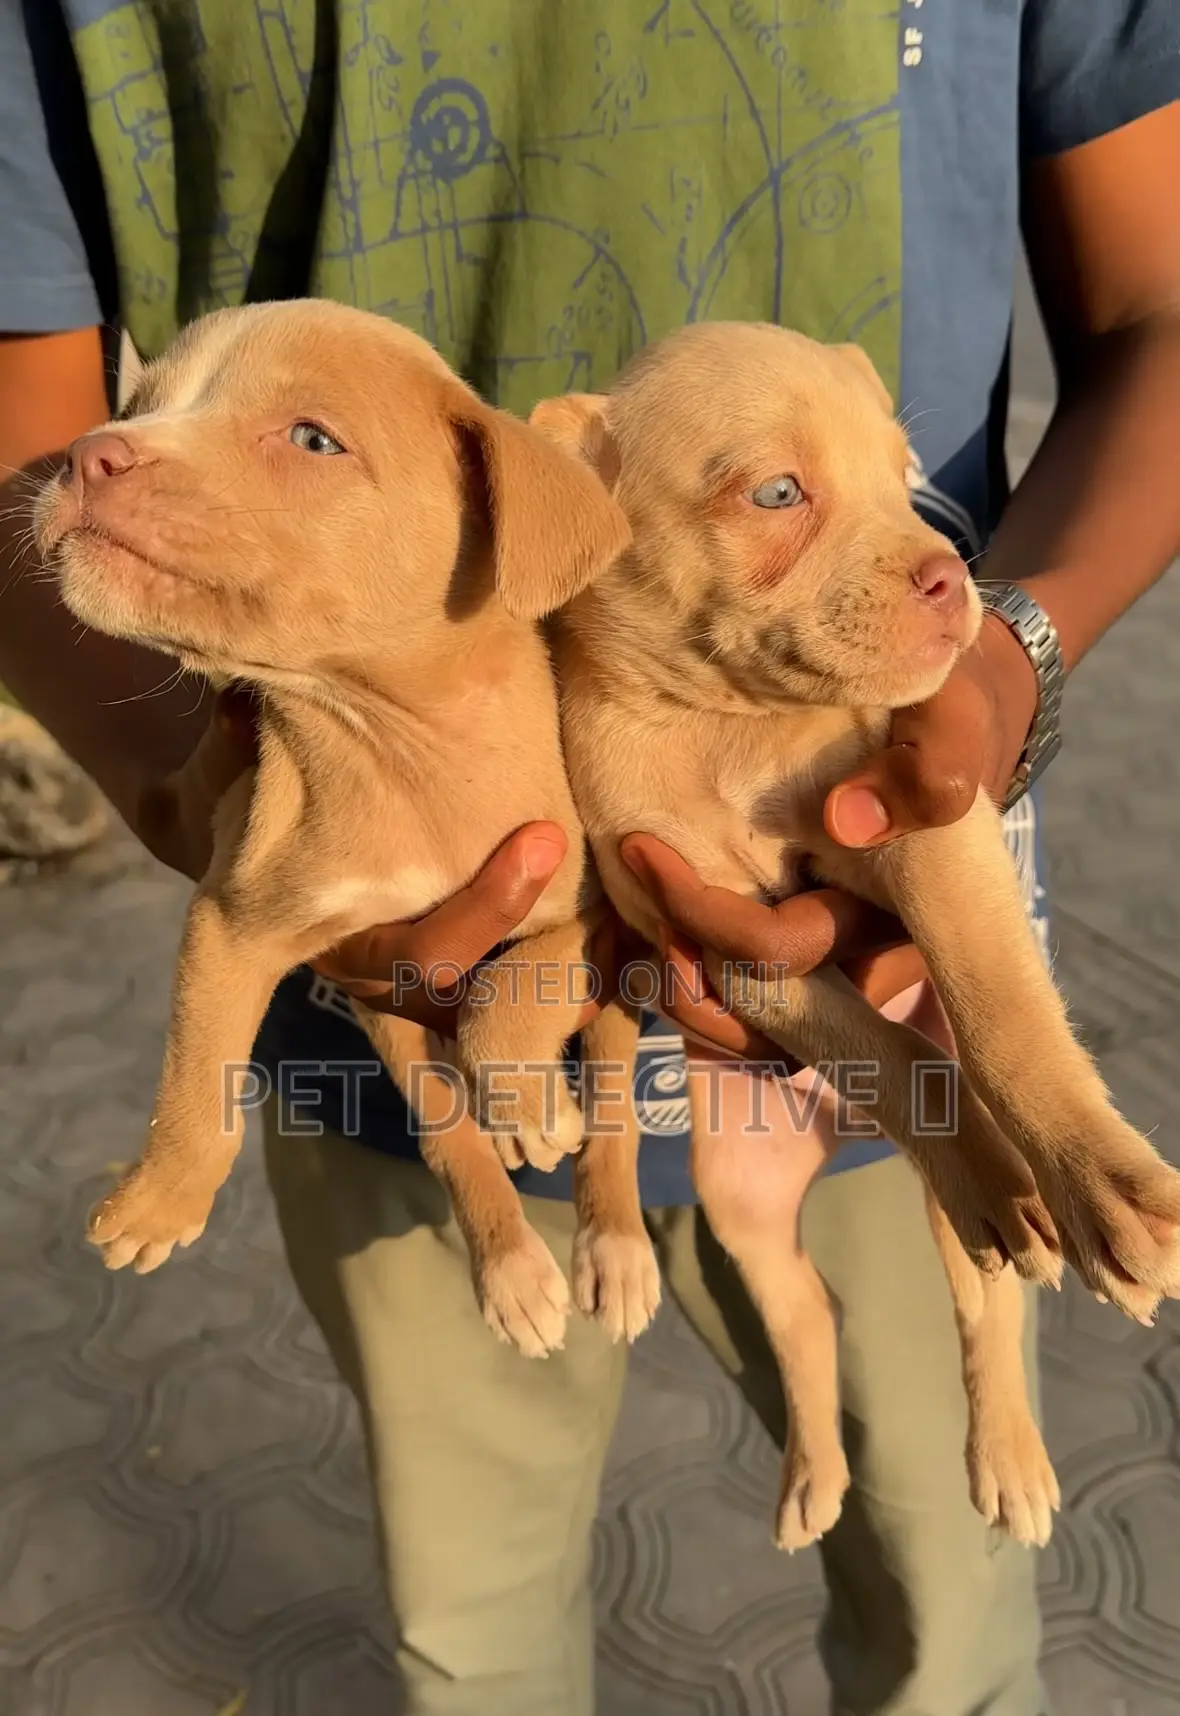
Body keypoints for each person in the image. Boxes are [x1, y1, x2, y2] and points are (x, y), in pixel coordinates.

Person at [2, 3, 1178, 1711]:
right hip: (390, 1028)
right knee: (472, 1639)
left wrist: (1014, 655)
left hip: (883, 967)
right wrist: (216, 814)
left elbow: (1154, 305)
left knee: (961, 1613)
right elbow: (37, 427)